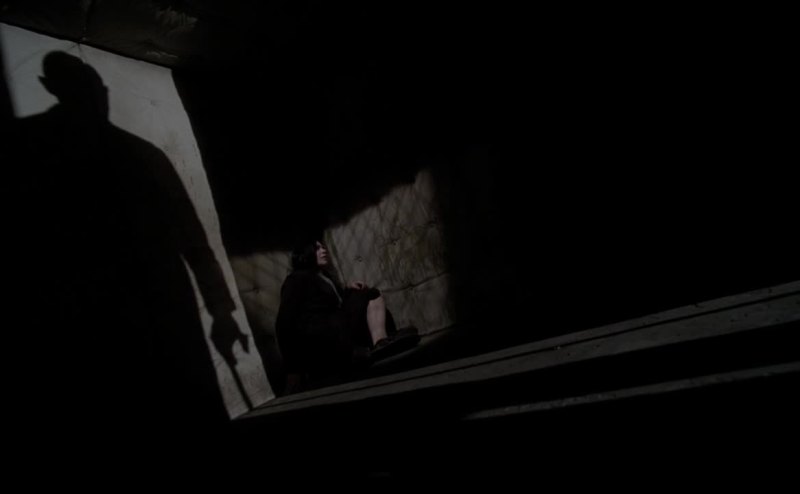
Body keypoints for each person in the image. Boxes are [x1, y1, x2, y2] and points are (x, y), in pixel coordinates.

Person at [275, 239, 419, 392]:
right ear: (306, 253)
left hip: (338, 327)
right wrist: (293, 370)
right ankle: (373, 347)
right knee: (369, 295)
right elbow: (284, 323)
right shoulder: (296, 279)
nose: (323, 250)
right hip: (323, 337)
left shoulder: (323, 276)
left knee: (370, 293)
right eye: (317, 248)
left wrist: (347, 289)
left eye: (323, 247)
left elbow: (331, 302)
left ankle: (380, 343)